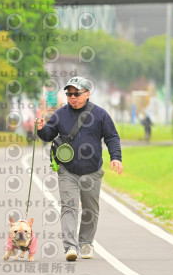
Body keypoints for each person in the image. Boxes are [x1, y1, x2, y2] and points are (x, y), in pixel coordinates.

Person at [37, 76, 123, 261]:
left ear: (87, 94)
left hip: (92, 170)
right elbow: (48, 135)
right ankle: (70, 246)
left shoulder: (100, 114)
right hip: (67, 170)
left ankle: (86, 243)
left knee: (90, 210)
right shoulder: (60, 114)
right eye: (69, 94)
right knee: (69, 207)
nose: (72, 97)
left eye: (76, 94)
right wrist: (41, 129)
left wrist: (116, 157)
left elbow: (112, 137)